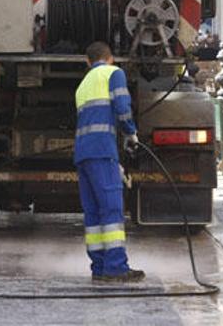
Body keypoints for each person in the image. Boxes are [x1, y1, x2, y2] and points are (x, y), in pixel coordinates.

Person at [74, 42, 144, 283]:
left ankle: (99, 268)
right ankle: (115, 267)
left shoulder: (83, 85)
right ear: (110, 58)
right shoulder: (113, 73)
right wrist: (131, 133)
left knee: (93, 212)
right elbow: (122, 108)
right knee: (112, 208)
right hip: (103, 151)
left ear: (88, 61)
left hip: (83, 154)